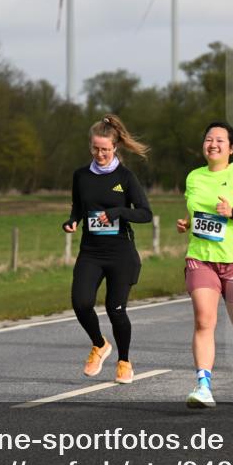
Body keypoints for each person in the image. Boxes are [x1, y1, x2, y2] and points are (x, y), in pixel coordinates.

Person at [177, 122, 233, 408]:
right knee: (204, 320)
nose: (212, 144)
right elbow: (198, 214)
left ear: (231, 148)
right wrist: (187, 223)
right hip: (201, 257)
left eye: (219, 140)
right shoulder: (194, 177)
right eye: (208, 139)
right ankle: (203, 385)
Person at [63, 115, 152, 384]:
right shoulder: (80, 175)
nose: (100, 154)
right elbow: (78, 206)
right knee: (81, 302)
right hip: (91, 251)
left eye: (105, 149)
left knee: (116, 310)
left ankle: (124, 362)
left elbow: (145, 213)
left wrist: (117, 212)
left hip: (120, 253)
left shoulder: (125, 177)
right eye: (95, 148)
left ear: (115, 148)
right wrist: (72, 221)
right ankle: (100, 344)